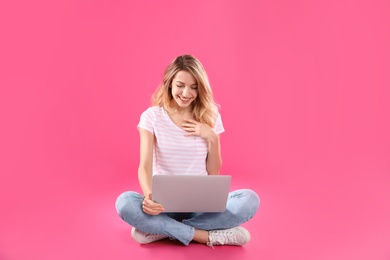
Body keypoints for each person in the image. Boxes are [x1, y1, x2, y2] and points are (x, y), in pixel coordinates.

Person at [115, 54, 260, 247]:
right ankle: (206, 236)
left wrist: (212, 137)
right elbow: (145, 166)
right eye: (180, 85)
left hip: (200, 206)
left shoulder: (211, 115)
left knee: (249, 200)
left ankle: (161, 230)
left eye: (194, 87)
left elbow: (213, 172)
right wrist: (149, 197)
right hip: (163, 205)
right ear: (169, 83)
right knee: (125, 203)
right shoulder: (152, 117)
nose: (186, 93)